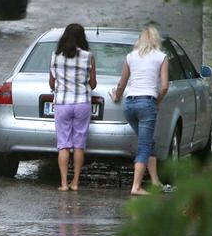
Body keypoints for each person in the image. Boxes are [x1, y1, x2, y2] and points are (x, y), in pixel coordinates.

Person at [110, 25, 169, 196]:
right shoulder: (162, 57)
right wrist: (156, 102)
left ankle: (155, 181)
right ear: (156, 40)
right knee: (144, 145)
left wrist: (116, 97)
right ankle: (136, 186)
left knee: (148, 142)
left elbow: (122, 83)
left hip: (129, 105)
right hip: (146, 104)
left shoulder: (130, 57)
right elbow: (164, 86)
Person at [48, 23, 96, 191]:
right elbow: (93, 83)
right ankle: (75, 182)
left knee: (63, 145)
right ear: (82, 38)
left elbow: (52, 84)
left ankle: (63, 183)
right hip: (82, 102)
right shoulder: (88, 56)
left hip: (62, 103)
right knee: (78, 145)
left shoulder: (55, 56)